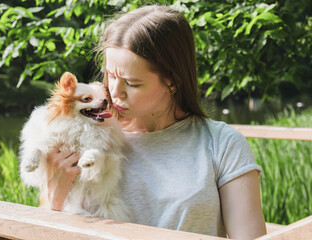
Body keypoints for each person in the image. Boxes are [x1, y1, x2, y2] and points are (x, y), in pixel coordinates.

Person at [45, 5, 267, 239]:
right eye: (111, 75)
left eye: (132, 83)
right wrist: (54, 196)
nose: (115, 91)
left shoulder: (222, 145)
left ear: (172, 81)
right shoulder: (82, 137)